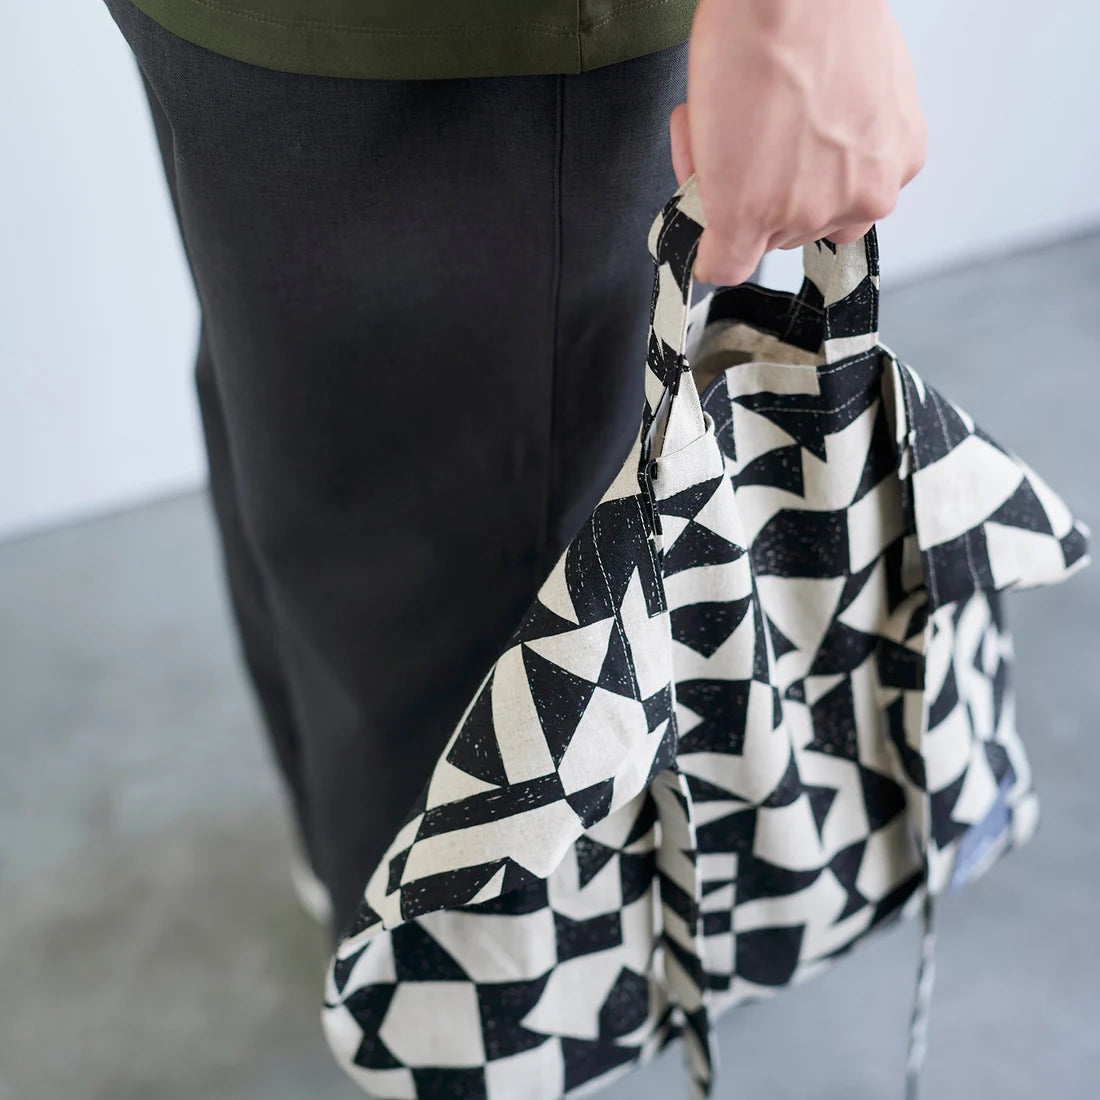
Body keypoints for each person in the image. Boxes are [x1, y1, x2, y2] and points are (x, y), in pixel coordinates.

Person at [102, 0, 927, 941]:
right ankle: (487, 959)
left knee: (323, 451)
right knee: (495, 548)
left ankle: (373, 880)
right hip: (496, 40)